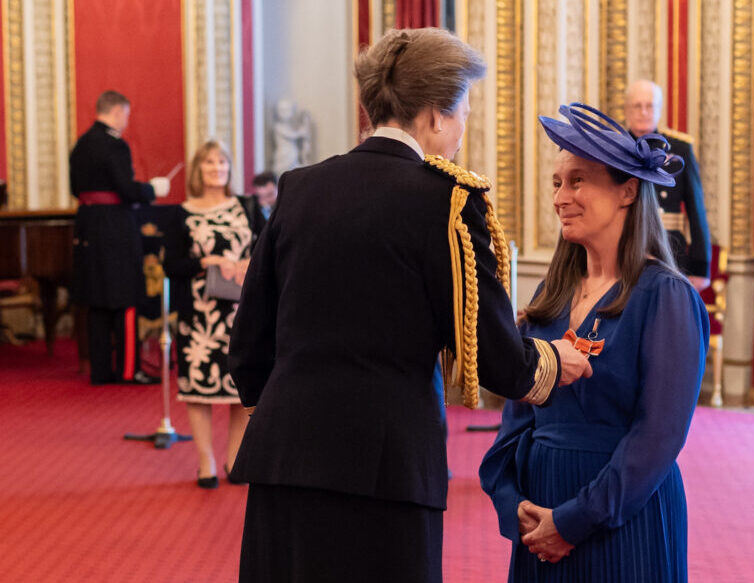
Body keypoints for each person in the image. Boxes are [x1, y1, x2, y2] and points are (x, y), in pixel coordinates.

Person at [227, 28, 592, 583]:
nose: (463, 128)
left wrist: (290, 421)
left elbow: (249, 342)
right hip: (387, 468)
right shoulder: (447, 200)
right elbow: (493, 355)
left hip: (284, 458)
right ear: (436, 115)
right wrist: (551, 362)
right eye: (464, 111)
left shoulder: (299, 187)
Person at [480, 103, 710, 582]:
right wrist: (512, 501)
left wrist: (573, 521)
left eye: (578, 180)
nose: (561, 196)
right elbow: (518, 415)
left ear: (627, 190)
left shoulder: (666, 297)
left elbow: (658, 437)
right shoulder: (551, 294)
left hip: (622, 517)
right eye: (557, 182)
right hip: (539, 515)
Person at [161, 140, 265, 489]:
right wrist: (207, 261)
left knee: (239, 387)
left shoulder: (247, 207)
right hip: (199, 315)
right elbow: (171, 265)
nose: (216, 168)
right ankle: (205, 461)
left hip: (242, 312)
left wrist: (250, 263)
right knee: (198, 389)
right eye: (209, 162)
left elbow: (269, 248)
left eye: (222, 162)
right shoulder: (182, 213)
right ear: (197, 169)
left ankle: (235, 458)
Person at [69, 90, 170, 385]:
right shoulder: (115, 146)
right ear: (115, 112)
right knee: (126, 297)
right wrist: (152, 189)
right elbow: (127, 190)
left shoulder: (80, 145)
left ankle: (100, 371)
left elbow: (77, 189)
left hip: (87, 225)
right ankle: (128, 370)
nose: (126, 121)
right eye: (126, 114)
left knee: (97, 299)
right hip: (115, 227)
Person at [624, 79, 711, 290]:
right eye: (637, 105)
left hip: (669, 249)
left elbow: (696, 208)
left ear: (659, 109)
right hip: (624, 246)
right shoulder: (616, 147)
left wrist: (701, 267)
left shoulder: (679, 149)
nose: (644, 112)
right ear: (627, 109)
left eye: (650, 105)